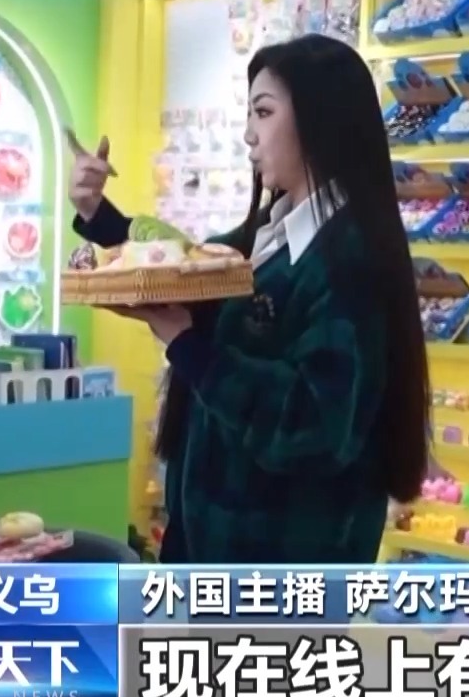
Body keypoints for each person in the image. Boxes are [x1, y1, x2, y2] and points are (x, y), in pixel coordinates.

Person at [68, 33, 431, 563]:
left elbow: (313, 423)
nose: (247, 135)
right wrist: (99, 215)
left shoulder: (350, 259)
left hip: (283, 564)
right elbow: (184, 261)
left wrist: (188, 346)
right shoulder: (269, 236)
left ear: (319, 118)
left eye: (263, 112)